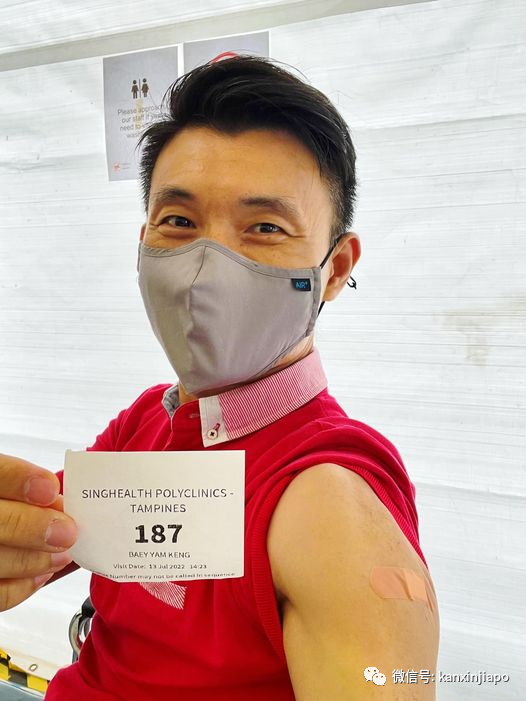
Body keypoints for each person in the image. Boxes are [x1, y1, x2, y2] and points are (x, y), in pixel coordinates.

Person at [0, 54, 439, 700]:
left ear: (336, 268)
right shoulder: (149, 420)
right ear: (143, 240)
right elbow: (41, 535)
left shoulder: (325, 498)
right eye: (179, 222)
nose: (206, 269)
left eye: (265, 227)